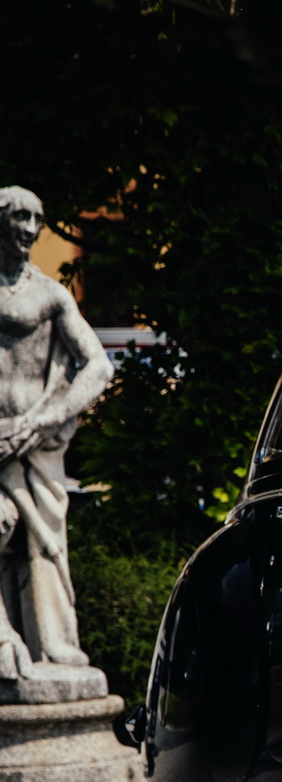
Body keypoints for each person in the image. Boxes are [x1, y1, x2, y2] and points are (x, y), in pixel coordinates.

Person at [0, 187, 113, 680]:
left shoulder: (49, 293)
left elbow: (98, 368)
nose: (28, 228)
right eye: (18, 216)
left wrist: (40, 422)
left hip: (34, 445)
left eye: (36, 219)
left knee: (44, 546)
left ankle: (52, 648)